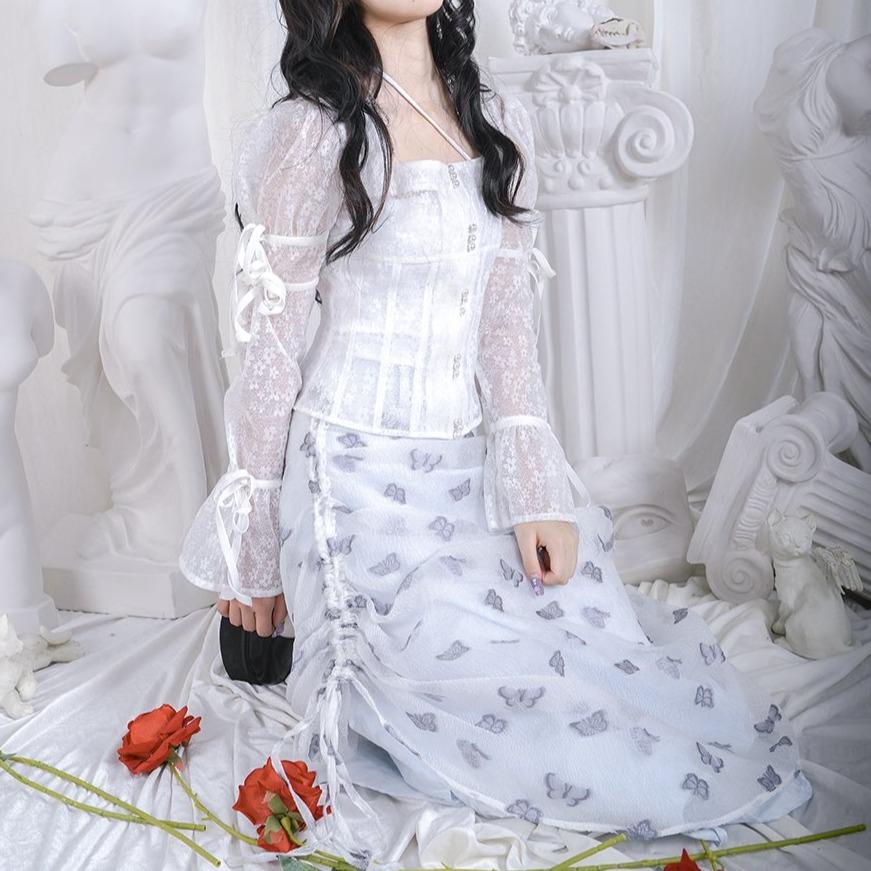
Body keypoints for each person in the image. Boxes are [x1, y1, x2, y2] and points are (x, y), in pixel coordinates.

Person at [179, 0, 813, 862]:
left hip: (470, 455)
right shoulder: (310, 131)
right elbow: (268, 345)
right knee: (445, 685)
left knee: (584, 650)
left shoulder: (493, 116)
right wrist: (251, 545)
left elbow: (504, 326)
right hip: (351, 469)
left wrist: (533, 490)